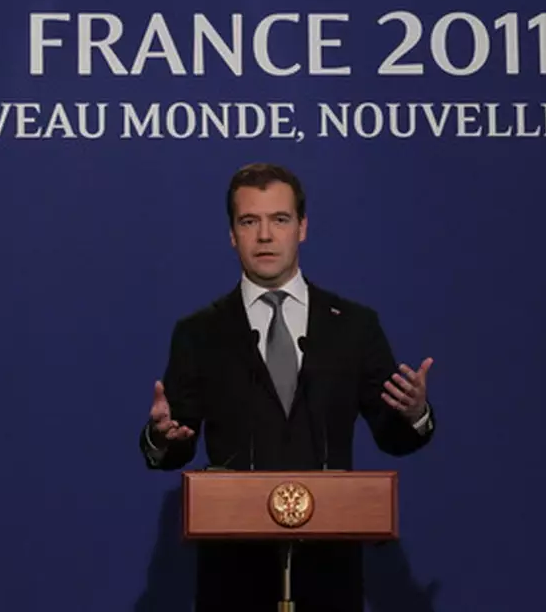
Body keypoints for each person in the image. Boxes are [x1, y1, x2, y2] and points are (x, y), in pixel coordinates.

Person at [139, 162, 436, 612]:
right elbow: (175, 442)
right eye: (249, 221)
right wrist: (161, 438)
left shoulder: (354, 326)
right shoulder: (199, 333)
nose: (264, 235)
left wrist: (414, 414)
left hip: (330, 572)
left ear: (303, 227)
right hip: (233, 574)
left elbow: (393, 437)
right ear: (232, 234)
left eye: (279, 219)